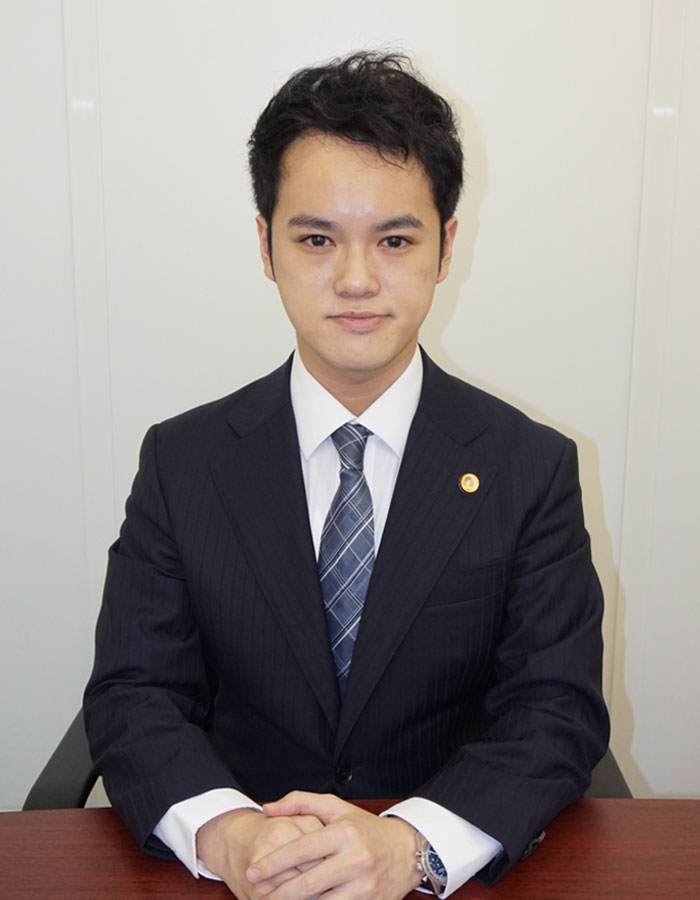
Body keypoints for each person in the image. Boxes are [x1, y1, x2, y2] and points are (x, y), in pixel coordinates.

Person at [84, 51, 609, 899]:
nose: (357, 280)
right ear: (265, 245)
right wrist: (230, 835)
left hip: (435, 876)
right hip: (247, 872)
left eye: (395, 240)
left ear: (445, 247)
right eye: (317, 239)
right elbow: (134, 692)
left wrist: (409, 846)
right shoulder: (183, 462)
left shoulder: (529, 468)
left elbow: (555, 709)